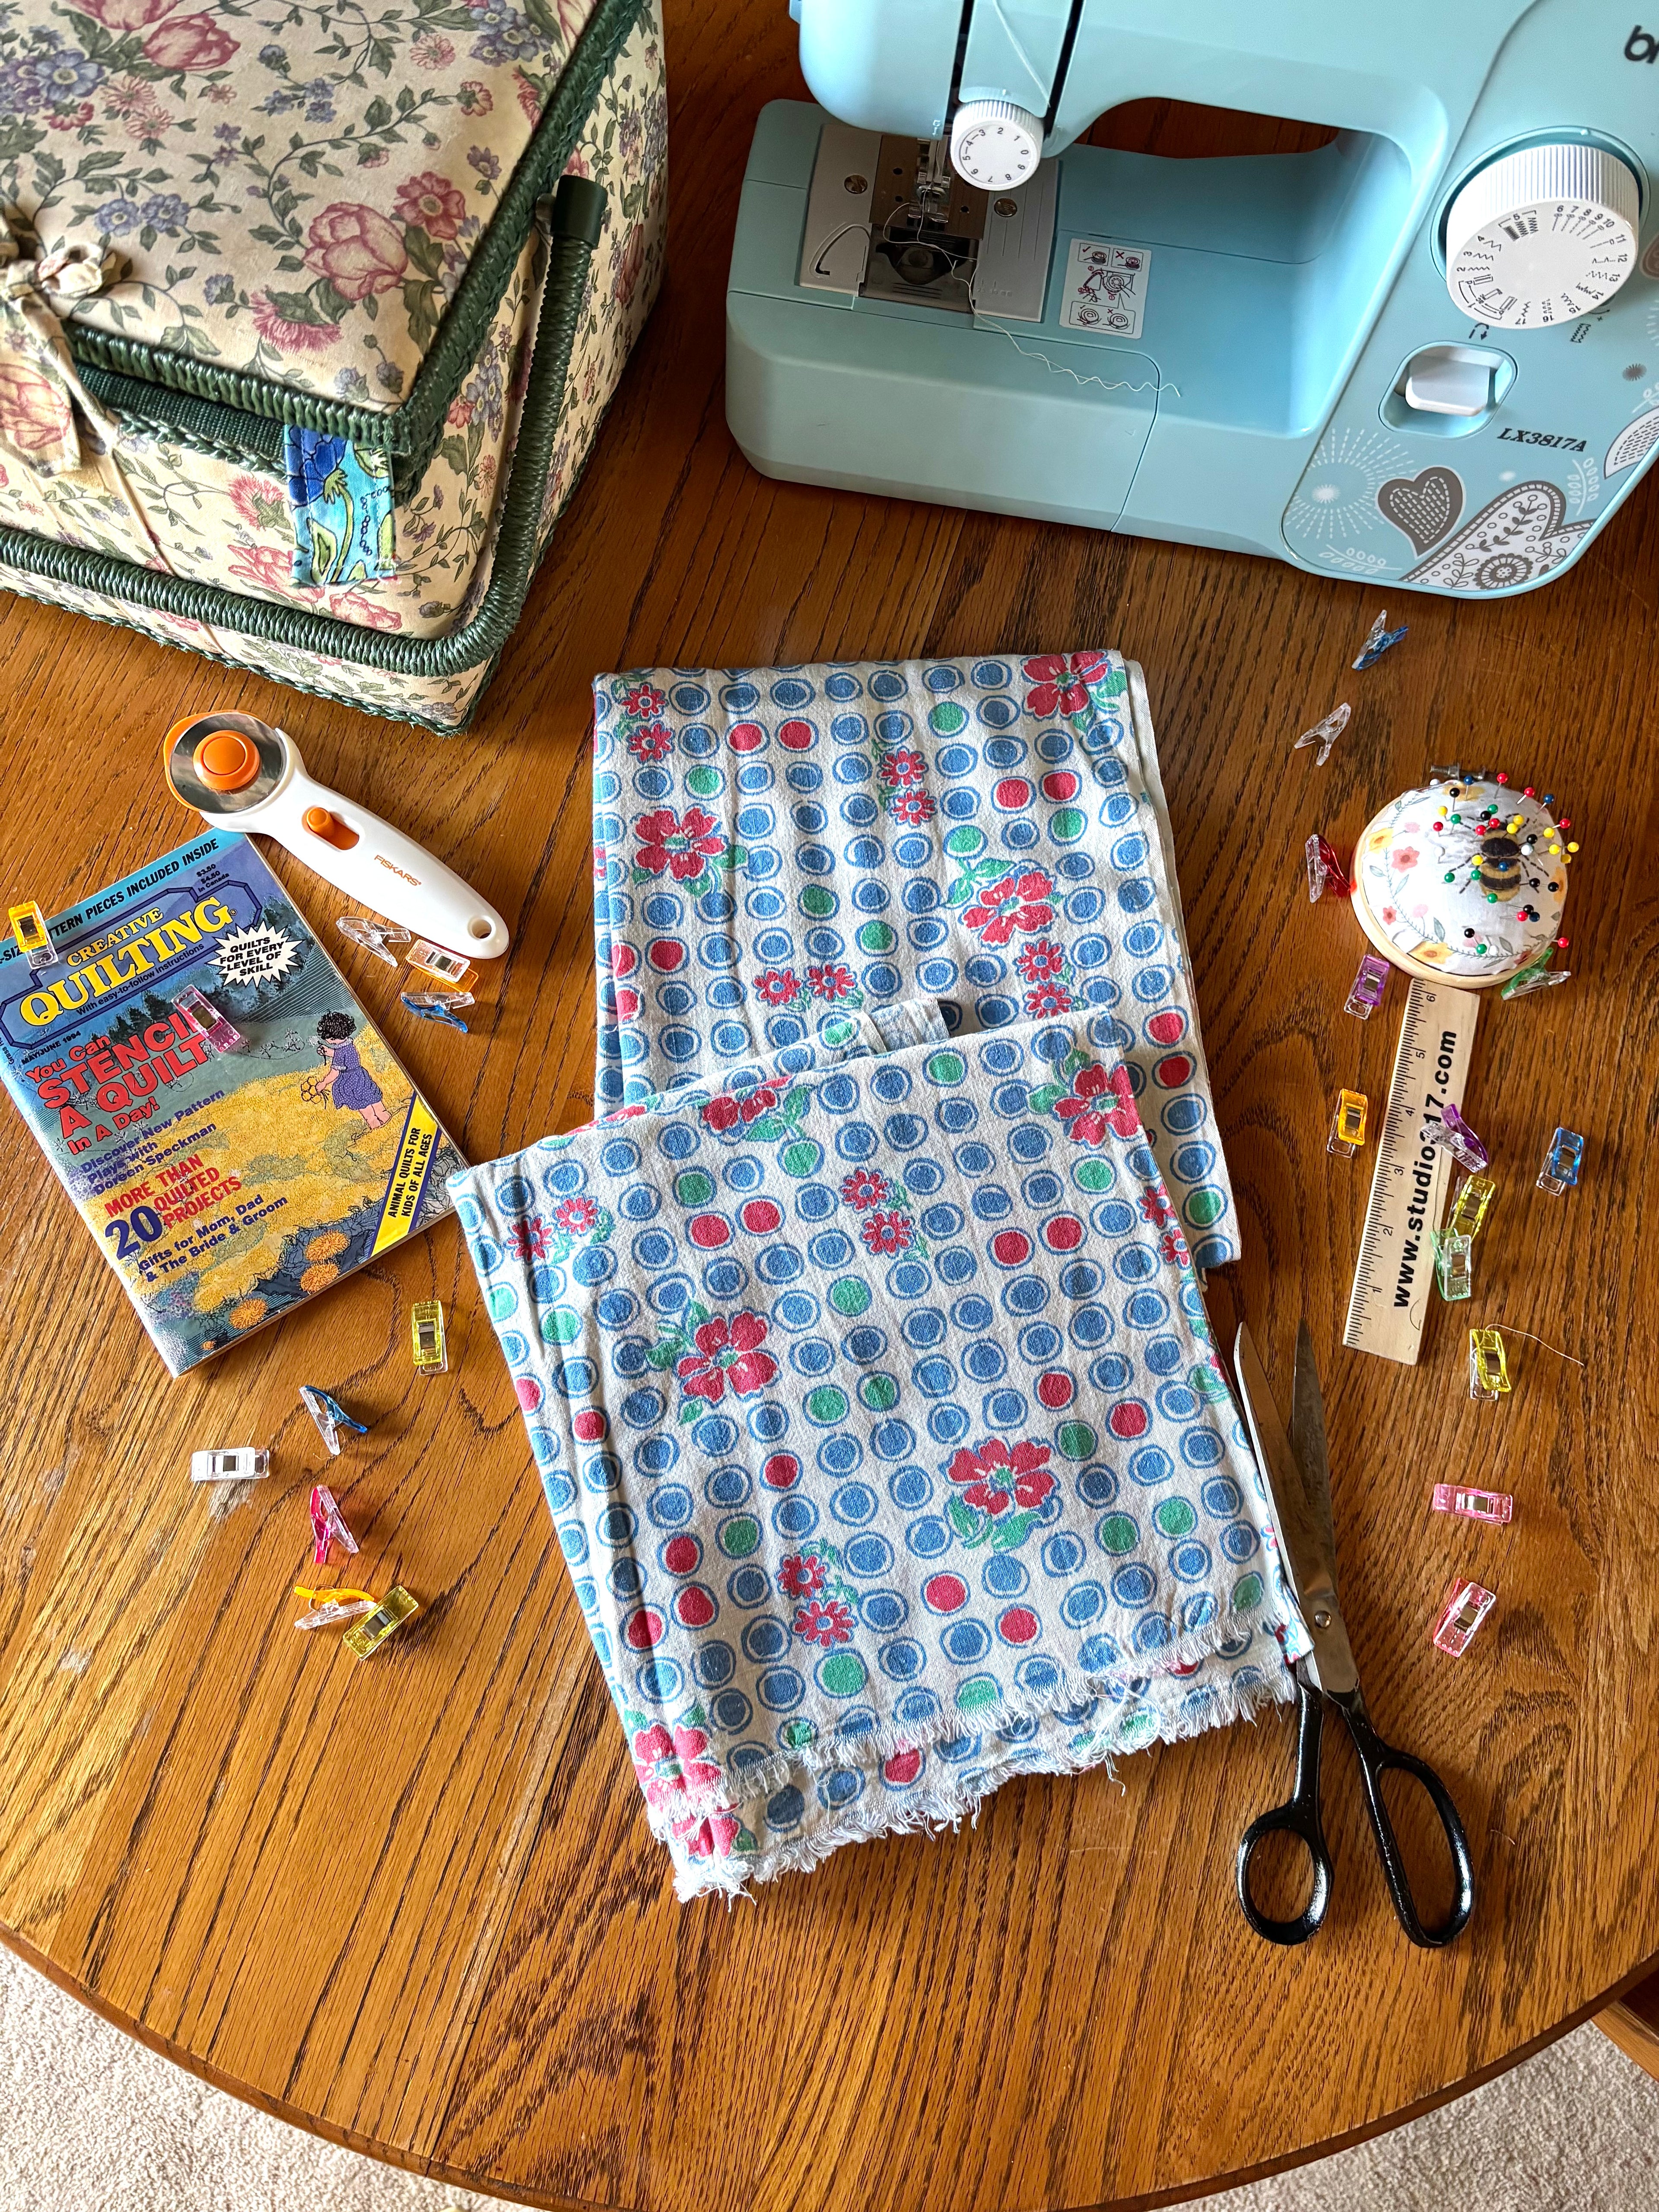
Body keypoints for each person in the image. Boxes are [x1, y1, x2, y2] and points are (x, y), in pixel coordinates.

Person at [313, 1010, 390, 1130]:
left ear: (332, 1038)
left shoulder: (340, 1052)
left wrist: (324, 1083)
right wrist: (329, 1052)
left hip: (350, 1083)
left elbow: (335, 1073)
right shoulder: (349, 1045)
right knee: (372, 1098)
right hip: (361, 1076)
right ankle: (386, 1117)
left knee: (363, 1106)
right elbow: (343, 1055)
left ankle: (375, 1124)